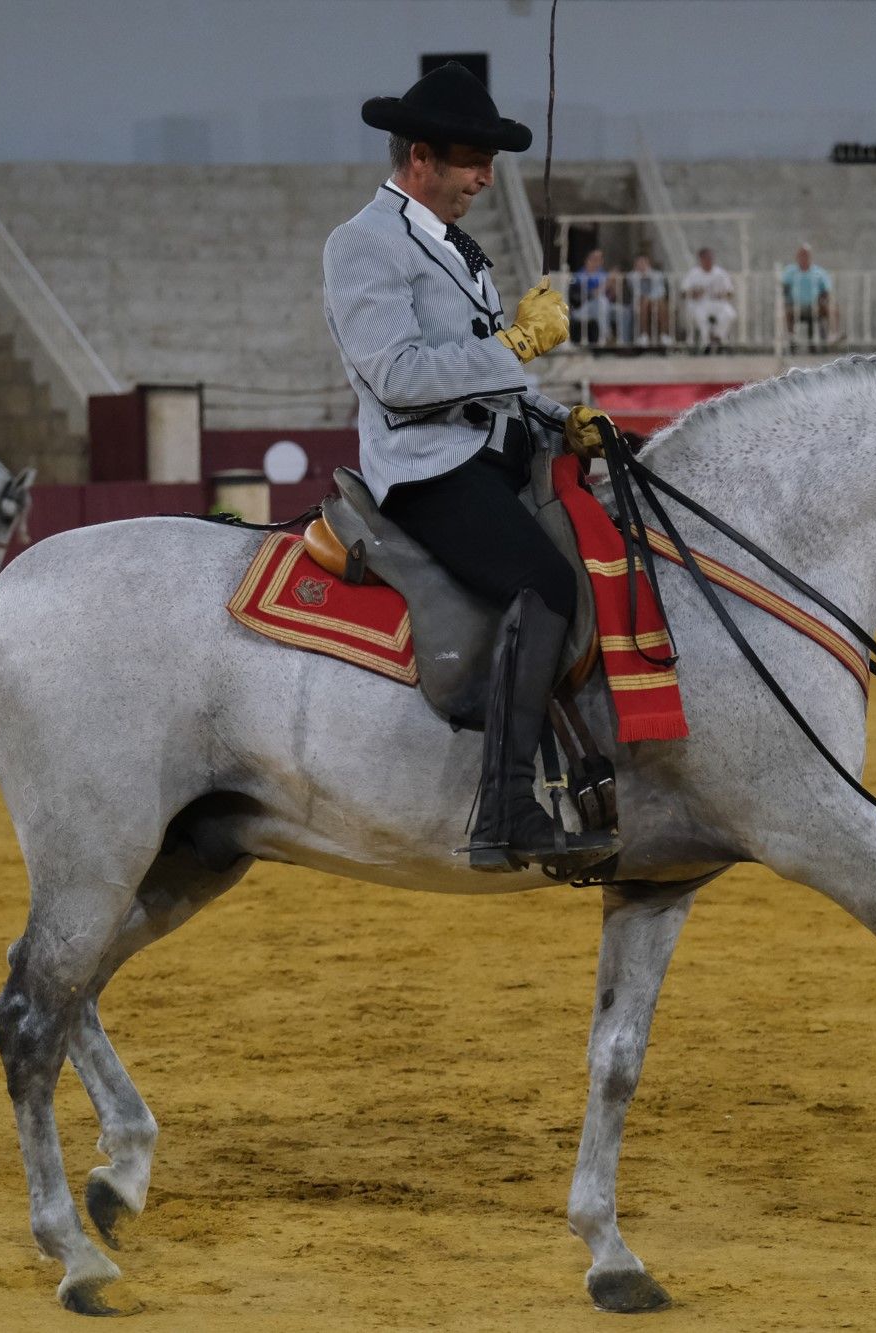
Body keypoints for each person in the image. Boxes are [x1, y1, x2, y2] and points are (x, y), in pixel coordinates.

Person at [326, 60, 621, 873]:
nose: (486, 178)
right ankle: (505, 808)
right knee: (547, 584)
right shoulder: (362, 246)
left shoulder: (460, 248)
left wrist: (566, 419)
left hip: (497, 458)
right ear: (419, 158)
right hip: (427, 469)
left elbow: (498, 384)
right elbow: (399, 376)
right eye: (471, 161)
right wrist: (514, 344)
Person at [779, 243, 837, 349]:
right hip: (794, 306)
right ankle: (791, 340)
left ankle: (832, 336)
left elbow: (827, 290)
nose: (804, 258)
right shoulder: (790, 272)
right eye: (801, 255)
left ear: (810, 257)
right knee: (785, 311)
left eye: (806, 255)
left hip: (815, 306)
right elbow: (783, 288)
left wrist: (823, 300)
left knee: (832, 309)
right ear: (797, 257)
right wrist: (786, 298)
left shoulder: (818, 272)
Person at [681, 248, 736, 352]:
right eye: (706, 258)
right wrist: (694, 293)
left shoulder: (720, 273)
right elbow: (683, 292)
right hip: (700, 303)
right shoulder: (694, 273)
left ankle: (717, 337)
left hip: (718, 303)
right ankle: (706, 342)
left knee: (729, 314)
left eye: (710, 258)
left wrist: (721, 294)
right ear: (700, 259)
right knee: (700, 316)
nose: (708, 261)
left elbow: (730, 292)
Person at [569, 247, 616, 347]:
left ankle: (608, 338)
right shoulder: (580, 275)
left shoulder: (602, 273)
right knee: (601, 302)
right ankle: (605, 336)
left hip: (600, 309)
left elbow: (611, 297)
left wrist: (614, 285)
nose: (597, 261)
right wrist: (607, 284)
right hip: (580, 309)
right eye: (594, 258)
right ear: (587, 260)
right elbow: (590, 295)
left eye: (600, 259)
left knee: (607, 305)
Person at [628, 253, 669, 348]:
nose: (641, 265)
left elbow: (661, 291)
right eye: (639, 263)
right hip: (640, 302)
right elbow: (636, 292)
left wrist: (648, 276)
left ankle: (664, 335)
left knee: (661, 303)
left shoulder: (657, 274)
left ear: (648, 263)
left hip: (656, 300)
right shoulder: (632, 276)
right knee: (645, 302)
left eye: (643, 263)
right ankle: (644, 335)